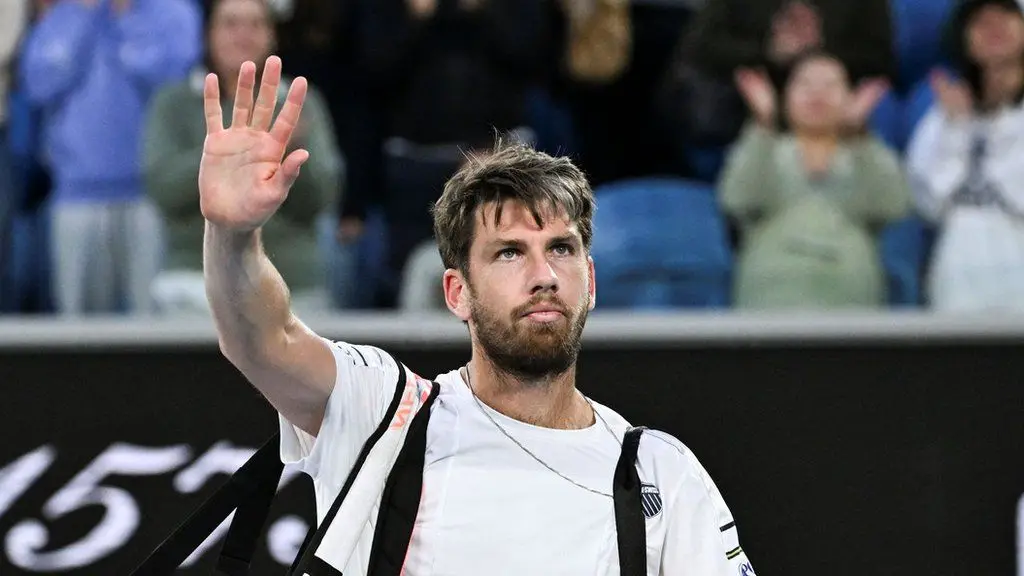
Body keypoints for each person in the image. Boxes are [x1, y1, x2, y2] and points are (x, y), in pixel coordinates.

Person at [198, 54, 756, 575]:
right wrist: (231, 233)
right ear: (456, 292)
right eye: (510, 252)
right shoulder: (386, 418)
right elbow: (263, 339)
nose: (544, 275)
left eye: (561, 249)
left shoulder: (660, 474)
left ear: (591, 281)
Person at [144, 0, 342, 316]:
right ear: (208, 33)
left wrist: (286, 154)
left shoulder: (300, 101)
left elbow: (321, 199)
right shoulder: (173, 102)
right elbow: (163, 189)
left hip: (289, 281)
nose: (243, 34)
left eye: (255, 24)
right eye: (231, 23)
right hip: (194, 280)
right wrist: (230, 154)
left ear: (272, 34)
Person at [719, 51, 910, 309]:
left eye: (831, 85)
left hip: (850, 303)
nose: (817, 94)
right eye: (805, 84)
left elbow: (893, 206)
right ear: (785, 96)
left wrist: (859, 139)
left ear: (850, 97)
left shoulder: (867, 154)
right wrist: (763, 126)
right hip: (770, 299)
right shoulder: (764, 149)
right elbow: (737, 200)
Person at [906, 0, 1024, 312]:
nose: (994, 28)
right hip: (960, 263)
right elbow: (931, 203)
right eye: (981, 23)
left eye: (1004, 18)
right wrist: (959, 131)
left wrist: (1000, 121)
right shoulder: (942, 116)